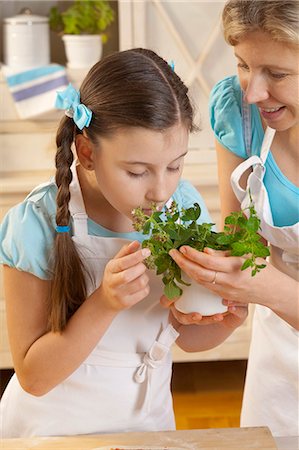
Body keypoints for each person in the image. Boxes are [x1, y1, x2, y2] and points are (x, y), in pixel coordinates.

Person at [0, 48, 247, 438]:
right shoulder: (36, 224)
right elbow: (33, 377)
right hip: (52, 432)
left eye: (175, 165)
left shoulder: (182, 207)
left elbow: (185, 335)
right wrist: (104, 303)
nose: (161, 190)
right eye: (137, 171)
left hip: (147, 423)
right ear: (86, 153)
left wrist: (226, 318)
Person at [165, 0, 299, 438]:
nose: (253, 92)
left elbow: (264, 280)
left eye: (277, 75)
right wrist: (213, 292)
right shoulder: (241, 115)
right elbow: (241, 237)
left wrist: (267, 288)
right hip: (278, 348)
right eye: (244, 64)